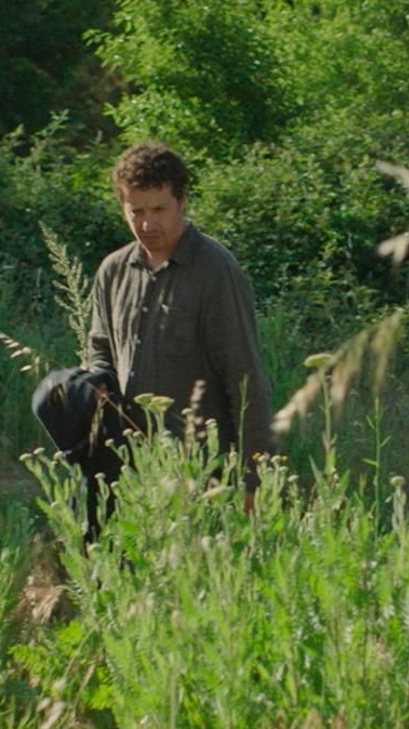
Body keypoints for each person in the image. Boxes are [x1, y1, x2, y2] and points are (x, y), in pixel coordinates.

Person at [83, 142, 276, 516]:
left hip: (203, 468)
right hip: (131, 465)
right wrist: (95, 383)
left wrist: (254, 477)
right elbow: (100, 348)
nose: (147, 224)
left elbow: (245, 376)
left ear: (182, 202)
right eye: (136, 211)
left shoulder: (215, 270)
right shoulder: (113, 270)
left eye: (159, 210)